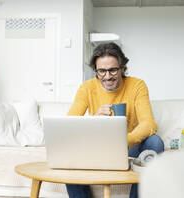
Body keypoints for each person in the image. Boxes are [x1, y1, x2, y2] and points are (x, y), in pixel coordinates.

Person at [65, 42, 164, 198]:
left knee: (155, 142)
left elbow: (148, 123)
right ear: (96, 71)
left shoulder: (137, 85)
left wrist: (125, 140)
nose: (107, 76)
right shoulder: (86, 88)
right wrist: (93, 120)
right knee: (68, 150)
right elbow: (69, 125)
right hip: (97, 147)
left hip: (129, 146)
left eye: (112, 70)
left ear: (122, 68)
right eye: (101, 71)